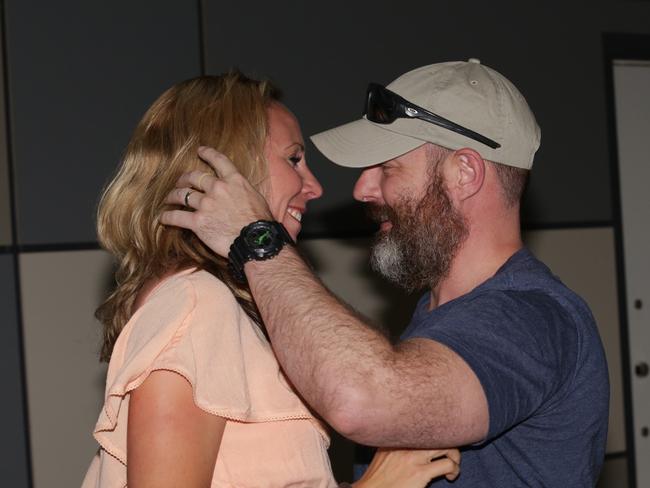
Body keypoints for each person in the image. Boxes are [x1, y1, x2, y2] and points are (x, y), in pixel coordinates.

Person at [161, 59, 610, 487]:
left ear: (464, 172)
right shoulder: (439, 322)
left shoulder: (531, 320)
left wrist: (257, 239)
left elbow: (360, 399)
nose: (362, 188)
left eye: (387, 167)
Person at [81, 72, 461, 488]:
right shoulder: (196, 302)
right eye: (294, 159)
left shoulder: (212, 305)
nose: (314, 186)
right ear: (229, 166)